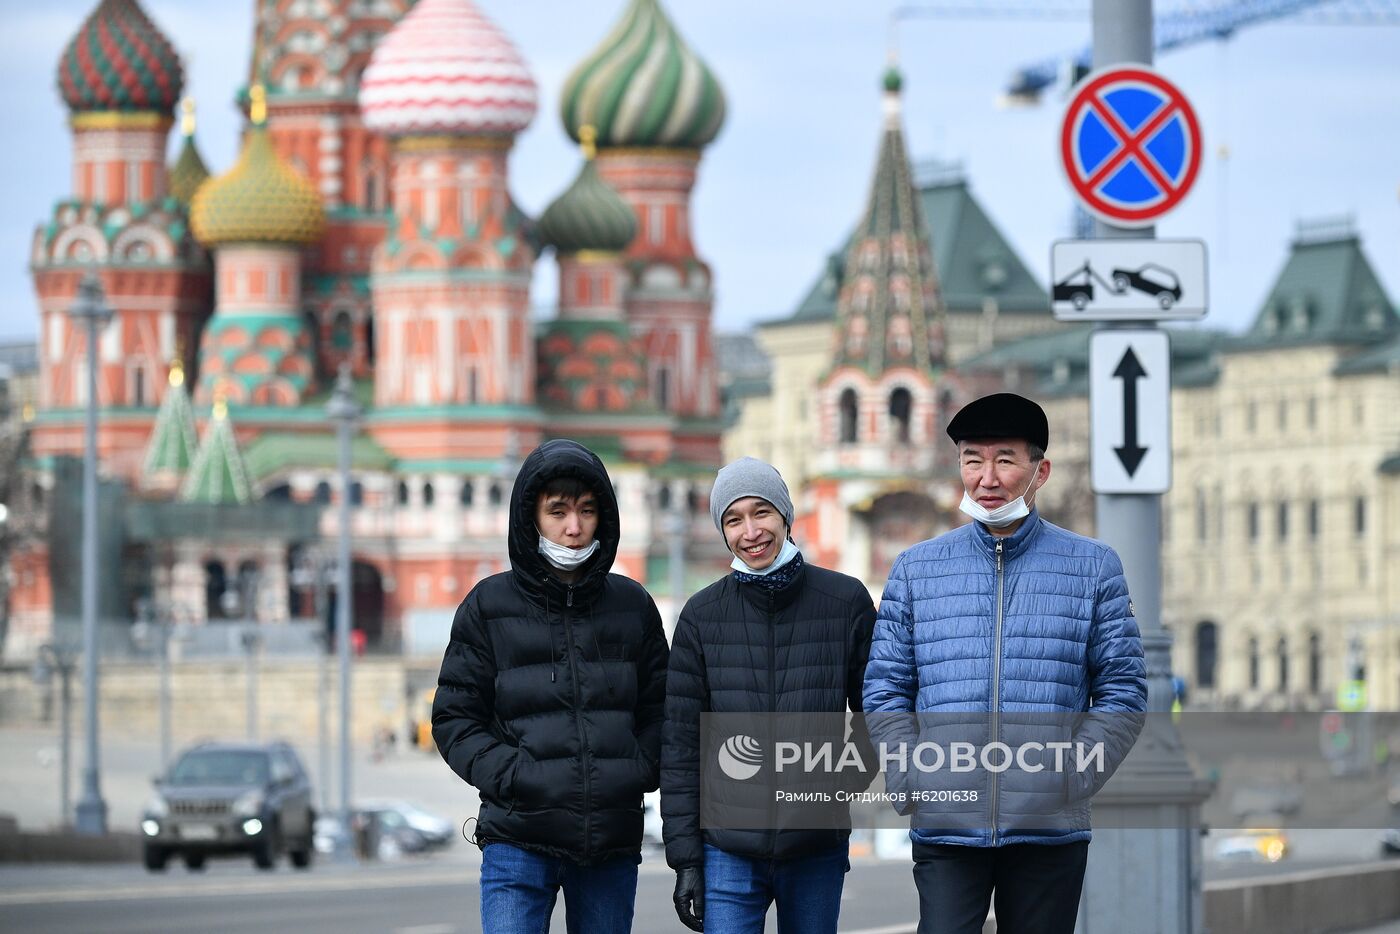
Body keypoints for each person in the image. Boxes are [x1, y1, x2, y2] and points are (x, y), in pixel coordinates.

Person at [863, 393, 1148, 934]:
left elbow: (1124, 691)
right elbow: (885, 688)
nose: (986, 478)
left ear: (1040, 471)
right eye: (973, 459)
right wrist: (906, 775)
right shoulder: (916, 570)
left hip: (1049, 828)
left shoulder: (1092, 567)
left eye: (1004, 460)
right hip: (946, 824)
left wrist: (1073, 776)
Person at [432, 439, 669, 934]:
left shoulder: (632, 606)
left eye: (586, 510)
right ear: (530, 518)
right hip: (518, 838)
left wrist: (634, 770)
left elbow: (662, 711)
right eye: (557, 511)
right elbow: (455, 719)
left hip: (610, 842)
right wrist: (516, 776)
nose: (574, 527)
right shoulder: (488, 606)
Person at [663, 457, 876, 934]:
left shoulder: (844, 603)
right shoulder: (702, 616)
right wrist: (685, 859)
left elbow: (877, 714)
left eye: (761, 513)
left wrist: (837, 784)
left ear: (785, 516)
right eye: (733, 520)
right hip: (727, 850)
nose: (750, 531)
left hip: (816, 847)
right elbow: (679, 747)